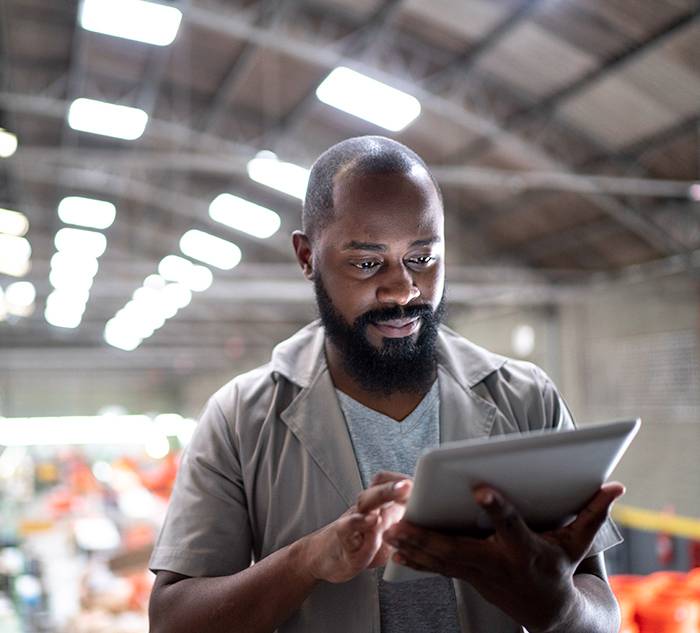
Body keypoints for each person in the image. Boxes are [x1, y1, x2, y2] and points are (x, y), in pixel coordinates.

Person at [148, 136, 624, 633]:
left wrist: (558, 607)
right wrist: (309, 560)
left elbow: (600, 610)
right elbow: (173, 620)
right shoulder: (240, 418)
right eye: (366, 263)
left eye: (422, 258)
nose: (403, 290)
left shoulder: (526, 399)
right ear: (307, 256)